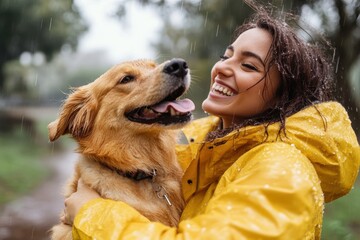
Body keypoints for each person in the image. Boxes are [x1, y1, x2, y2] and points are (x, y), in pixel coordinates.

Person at [62, 3, 360, 240]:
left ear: (283, 96)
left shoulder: (283, 170)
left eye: (248, 65)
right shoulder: (199, 145)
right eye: (226, 55)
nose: (223, 68)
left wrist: (90, 213)